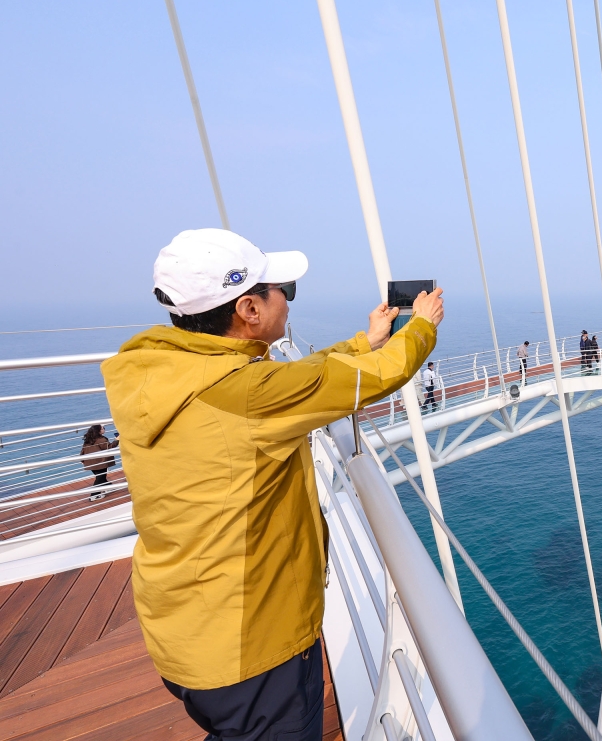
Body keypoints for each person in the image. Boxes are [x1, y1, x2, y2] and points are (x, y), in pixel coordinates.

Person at [102, 228, 442, 740]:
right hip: (252, 647)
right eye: (282, 289)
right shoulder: (248, 395)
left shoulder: (171, 372)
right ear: (249, 310)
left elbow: (288, 383)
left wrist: (361, 342)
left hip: (185, 631)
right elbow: (377, 378)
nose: (287, 299)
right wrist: (422, 327)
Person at [81, 423, 119, 501]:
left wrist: (82, 460)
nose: (104, 429)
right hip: (99, 462)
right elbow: (110, 447)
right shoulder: (101, 439)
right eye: (102, 428)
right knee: (100, 478)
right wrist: (117, 440)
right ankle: (94, 495)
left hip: (89, 461)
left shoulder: (89, 439)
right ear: (98, 431)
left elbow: (83, 450)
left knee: (100, 476)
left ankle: (108, 486)